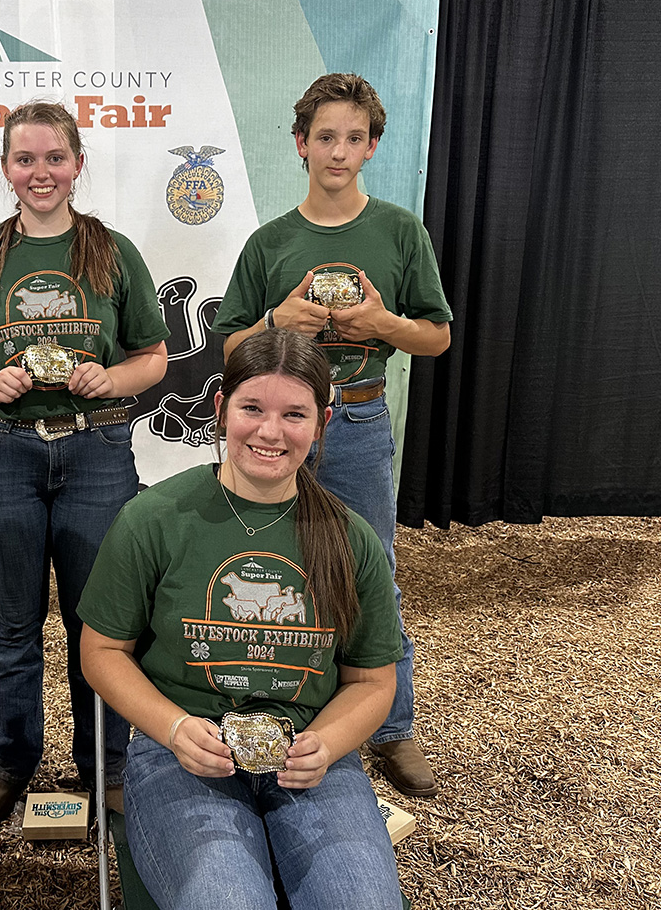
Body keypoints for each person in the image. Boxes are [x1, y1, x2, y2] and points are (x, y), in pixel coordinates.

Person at [79, 329, 404, 910]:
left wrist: (327, 745)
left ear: (323, 421)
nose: (270, 432)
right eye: (252, 408)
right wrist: (175, 729)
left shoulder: (349, 537)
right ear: (221, 408)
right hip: (181, 753)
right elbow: (101, 652)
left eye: (294, 414)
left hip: (309, 754)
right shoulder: (153, 518)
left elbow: (373, 681)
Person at [0, 100, 170, 818]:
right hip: (3, 450)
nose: (41, 172)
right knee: (11, 625)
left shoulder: (112, 250)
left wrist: (112, 379)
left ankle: (107, 765)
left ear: (78, 164)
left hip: (96, 447)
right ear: (5, 168)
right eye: (24, 159)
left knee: (103, 623)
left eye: (54, 158)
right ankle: (11, 759)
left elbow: (152, 356)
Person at [212, 73, 452, 798]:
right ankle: (284, 705)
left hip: (357, 416)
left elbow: (436, 336)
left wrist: (382, 326)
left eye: (353, 138)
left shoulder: (399, 231)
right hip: (279, 426)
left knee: (370, 565)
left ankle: (392, 726)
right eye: (325, 138)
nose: (338, 152)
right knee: (270, 563)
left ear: (373, 146)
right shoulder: (271, 242)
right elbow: (228, 348)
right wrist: (278, 322)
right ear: (299, 144)